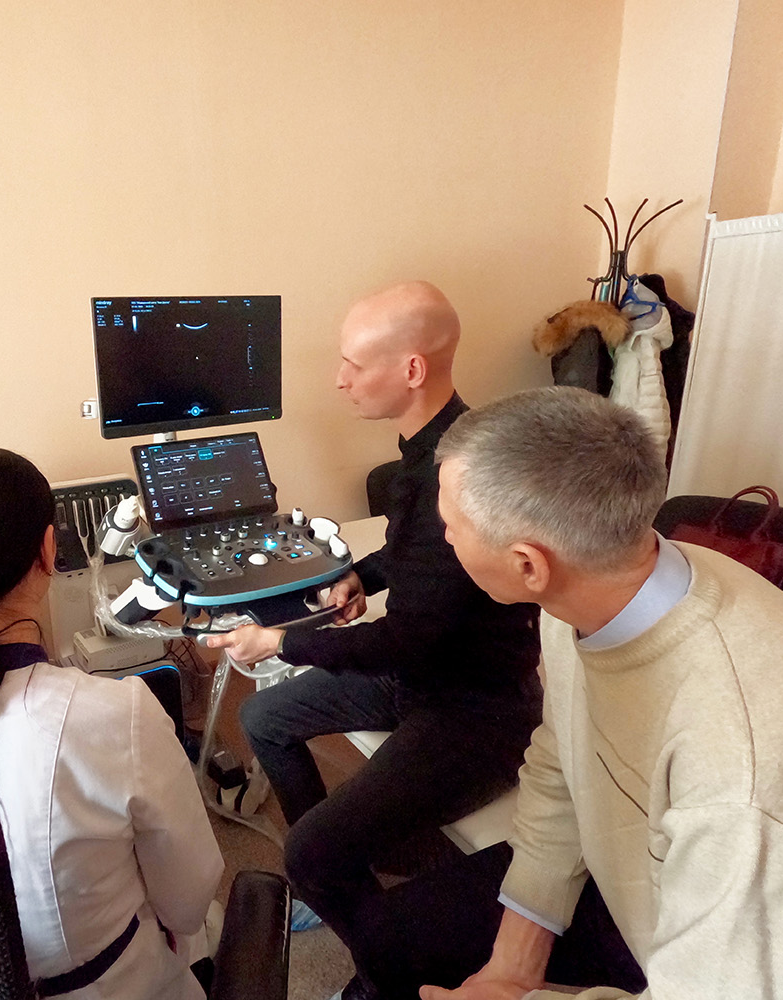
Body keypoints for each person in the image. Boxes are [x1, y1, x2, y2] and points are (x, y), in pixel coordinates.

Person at [357, 385, 783, 999]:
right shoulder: (590, 590)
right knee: (388, 936)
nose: (446, 540)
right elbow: (564, 754)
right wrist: (513, 965)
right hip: (638, 876)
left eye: (450, 528)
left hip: (730, 945)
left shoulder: (743, 789)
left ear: (527, 564)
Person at [205, 282, 542, 993]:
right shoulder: (425, 453)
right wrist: (361, 573)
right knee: (263, 717)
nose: (339, 379)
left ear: (411, 369)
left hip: (474, 709)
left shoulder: (461, 470)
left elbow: (403, 642)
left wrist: (280, 643)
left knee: (309, 849)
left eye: (353, 364)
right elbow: (411, 552)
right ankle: (335, 874)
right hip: (419, 675)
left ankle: (382, 972)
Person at [0, 446, 224, 1000]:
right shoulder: (118, 715)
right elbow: (187, 902)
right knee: (209, 920)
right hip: (115, 988)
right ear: (48, 551)